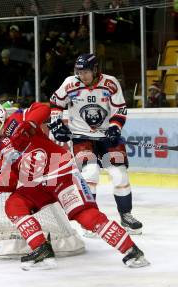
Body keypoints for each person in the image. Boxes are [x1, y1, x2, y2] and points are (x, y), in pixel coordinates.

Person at [0, 102, 149, 270]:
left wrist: (29, 125)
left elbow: (42, 108)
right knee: (14, 205)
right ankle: (42, 251)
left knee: (86, 216)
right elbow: (9, 181)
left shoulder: (17, 119)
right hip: (35, 185)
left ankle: (131, 251)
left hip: (61, 173)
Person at [49, 53, 143, 235]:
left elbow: (120, 109)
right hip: (81, 137)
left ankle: (126, 215)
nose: (81, 76)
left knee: (119, 174)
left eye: (85, 72)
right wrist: (56, 124)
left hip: (107, 138)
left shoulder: (110, 83)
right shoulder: (70, 83)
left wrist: (115, 127)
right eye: (79, 72)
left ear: (95, 69)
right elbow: (55, 102)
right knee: (90, 173)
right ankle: (91, 219)